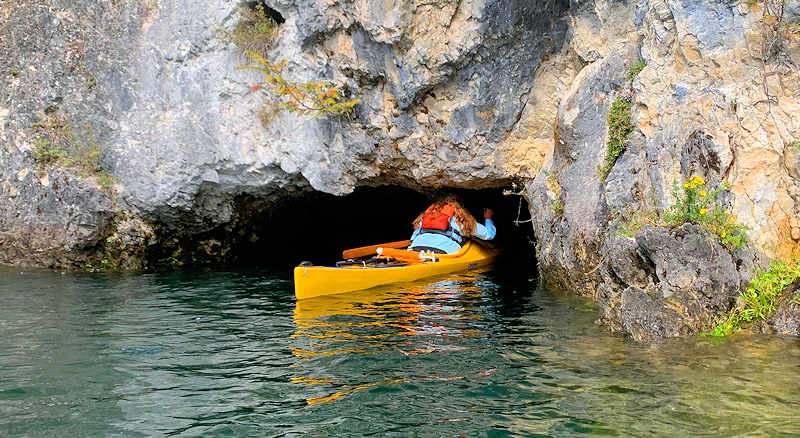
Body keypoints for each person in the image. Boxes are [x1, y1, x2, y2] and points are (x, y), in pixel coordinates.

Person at [408, 195, 496, 254]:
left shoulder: (426, 216)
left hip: (415, 250)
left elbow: (412, 239)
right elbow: (488, 235)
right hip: (442, 253)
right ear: (460, 206)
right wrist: (488, 218)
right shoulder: (461, 219)